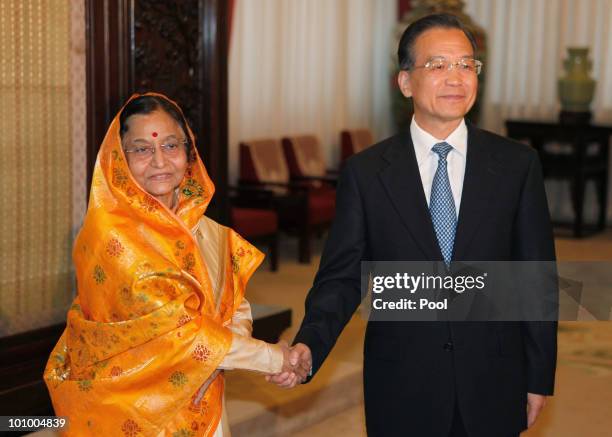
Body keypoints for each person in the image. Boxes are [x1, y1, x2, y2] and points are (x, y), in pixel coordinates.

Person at [268, 13, 557, 437]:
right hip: (402, 381)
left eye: (465, 65)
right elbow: (341, 277)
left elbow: (536, 278)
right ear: (405, 83)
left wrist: (538, 376)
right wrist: (309, 344)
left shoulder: (516, 165)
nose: (455, 77)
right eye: (437, 65)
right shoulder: (366, 173)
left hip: (493, 377)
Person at [44, 93, 306, 436]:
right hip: (129, 412)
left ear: (189, 152)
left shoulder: (204, 228)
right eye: (141, 149)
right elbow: (180, 335)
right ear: (118, 159)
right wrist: (274, 360)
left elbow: (231, 304)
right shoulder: (112, 241)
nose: (159, 161)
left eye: (171, 145)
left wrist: (218, 360)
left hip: (200, 396)